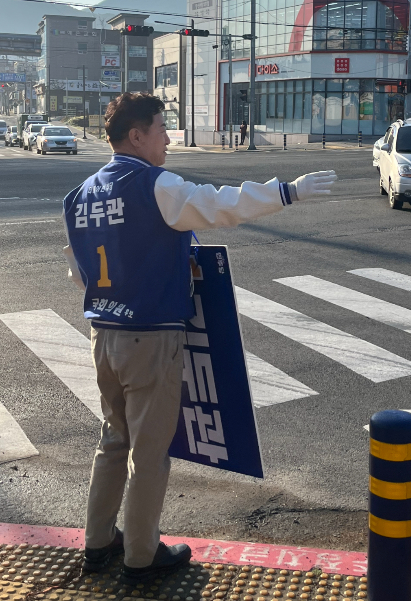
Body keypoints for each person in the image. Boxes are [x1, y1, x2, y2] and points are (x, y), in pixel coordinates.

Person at [62, 92, 336, 586]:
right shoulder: (154, 185)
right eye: (161, 127)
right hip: (150, 338)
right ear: (136, 135)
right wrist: (287, 192)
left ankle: (97, 542)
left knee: (112, 440)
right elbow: (219, 205)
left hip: (103, 333)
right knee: (148, 453)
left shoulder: (80, 196)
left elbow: (79, 273)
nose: (168, 137)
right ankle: (142, 558)